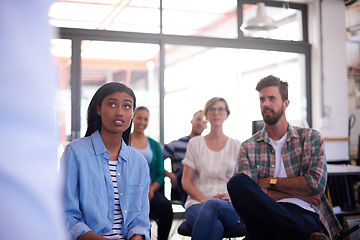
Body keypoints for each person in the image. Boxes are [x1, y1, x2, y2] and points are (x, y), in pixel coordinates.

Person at [227, 75, 342, 240]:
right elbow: (249, 193)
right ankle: (304, 233)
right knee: (236, 182)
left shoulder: (311, 138)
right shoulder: (248, 146)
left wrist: (268, 182)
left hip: (303, 211)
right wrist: (298, 194)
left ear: (286, 103)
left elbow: (314, 184)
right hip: (263, 214)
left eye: (272, 98)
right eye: (262, 99)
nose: (265, 104)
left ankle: (297, 230)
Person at [61, 82, 151, 240]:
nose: (119, 112)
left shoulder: (139, 162)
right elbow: (66, 216)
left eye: (127, 106)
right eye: (112, 104)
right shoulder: (75, 152)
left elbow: (141, 221)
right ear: (99, 109)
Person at [181, 97, 244, 240]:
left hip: (228, 203)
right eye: (212, 109)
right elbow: (186, 182)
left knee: (212, 212)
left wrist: (231, 195)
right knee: (215, 225)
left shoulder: (236, 145)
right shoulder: (195, 143)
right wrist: (204, 198)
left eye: (220, 109)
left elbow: (241, 182)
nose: (216, 113)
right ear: (206, 115)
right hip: (197, 203)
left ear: (227, 114)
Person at [130, 106, 173, 240]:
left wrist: (150, 190)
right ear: (132, 118)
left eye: (145, 119)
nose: (142, 122)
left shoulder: (154, 145)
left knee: (166, 208)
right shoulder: (123, 141)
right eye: (139, 118)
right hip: (128, 191)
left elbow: (160, 173)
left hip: (150, 191)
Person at [163, 110, 208, 204]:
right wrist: (169, 174)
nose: (200, 123)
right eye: (198, 119)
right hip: (181, 188)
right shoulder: (176, 145)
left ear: (207, 125)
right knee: (187, 169)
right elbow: (156, 162)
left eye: (204, 121)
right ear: (192, 121)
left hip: (203, 186)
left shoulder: (208, 147)